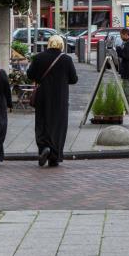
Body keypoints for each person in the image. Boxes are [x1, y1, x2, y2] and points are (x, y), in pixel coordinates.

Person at [27, 35, 78, 167]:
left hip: (43, 96)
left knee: (42, 122)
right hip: (60, 97)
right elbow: (74, 79)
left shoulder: (38, 58)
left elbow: (30, 75)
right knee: (58, 125)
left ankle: (44, 147)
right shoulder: (66, 59)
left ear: (48, 44)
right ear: (61, 45)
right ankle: (54, 155)